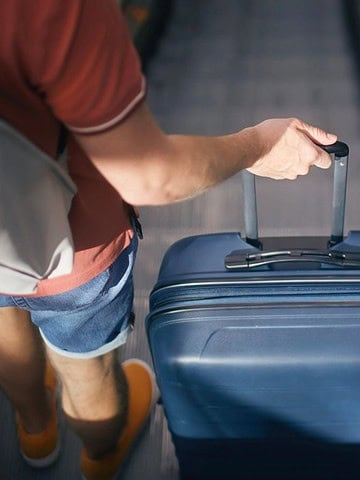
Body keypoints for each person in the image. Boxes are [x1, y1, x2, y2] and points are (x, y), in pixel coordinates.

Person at [0, 1, 337, 479]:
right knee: (86, 370)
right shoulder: (54, 11)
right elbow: (149, 176)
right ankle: (101, 454)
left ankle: (35, 429)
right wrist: (259, 145)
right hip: (73, 249)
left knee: (5, 320)